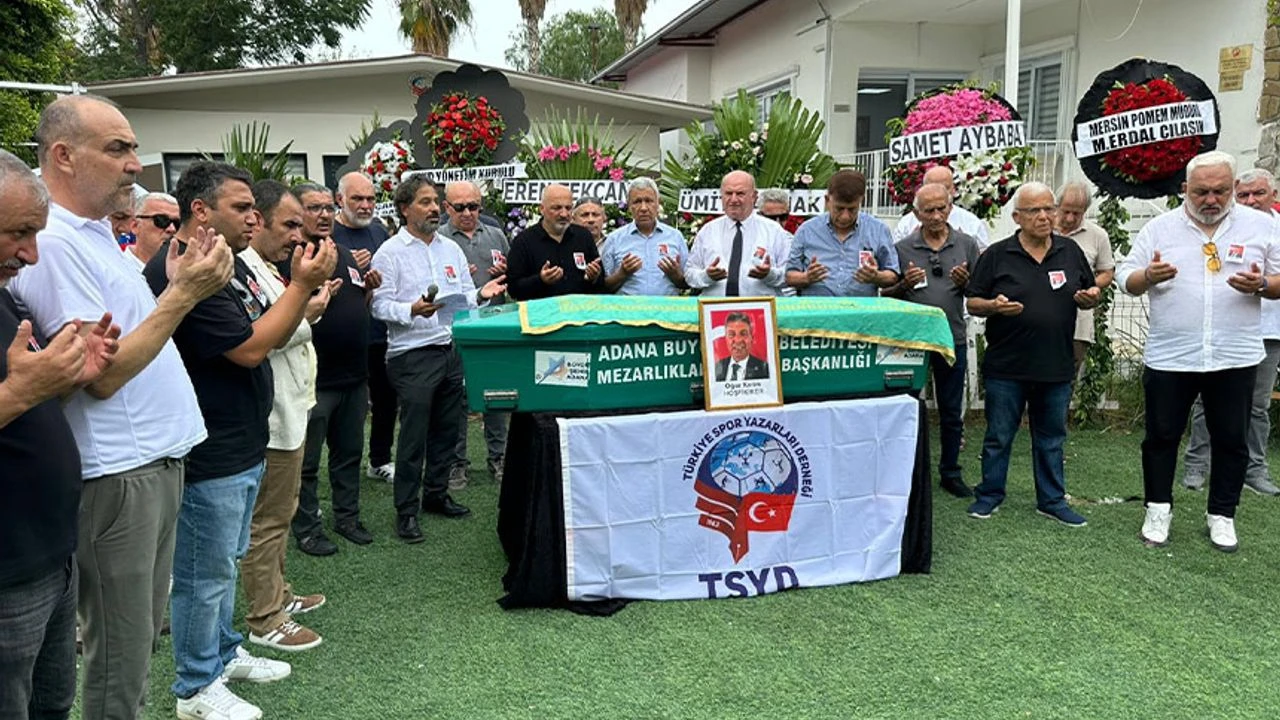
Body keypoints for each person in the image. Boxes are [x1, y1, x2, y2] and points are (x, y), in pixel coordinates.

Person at [9, 95, 234, 720]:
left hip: (149, 467)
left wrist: (177, 287)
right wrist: (183, 295)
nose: (135, 163)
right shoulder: (55, 243)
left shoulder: (94, 236)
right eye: (117, 149)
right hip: (119, 475)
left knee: (135, 647)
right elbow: (99, 378)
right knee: (119, 658)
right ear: (62, 156)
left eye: (133, 148)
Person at [142, 161, 336, 719]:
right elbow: (250, 348)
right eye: (242, 207)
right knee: (203, 575)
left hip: (241, 439)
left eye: (254, 207)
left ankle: (223, 654)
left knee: (224, 563)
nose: (255, 218)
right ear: (200, 210)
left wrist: (295, 293)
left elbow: (261, 327)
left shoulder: (223, 262)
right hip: (211, 447)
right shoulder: (185, 268)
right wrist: (302, 286)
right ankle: (196, 687)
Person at [0, 149, 118, 720]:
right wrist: (22, 391)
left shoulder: (3, 295)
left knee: (51, 705)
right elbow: (16, 398)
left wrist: (67, 378)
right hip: (9, 573)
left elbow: (28, 407)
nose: (31, 254)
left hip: (49, 555)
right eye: (19, 233)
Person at [1118, 152, 1280, 552]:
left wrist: (1261, 285)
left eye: (1220, 191)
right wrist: (1147, 276)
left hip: (1234, 354)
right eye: (1201, 192)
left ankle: (1222, 515)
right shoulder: (1160, 228)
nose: (1211, 199)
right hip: (1172, 354)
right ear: (1185, 189)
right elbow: (1125, 277)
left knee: (1232, 439)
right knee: (1161, 436)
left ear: (1232, 189)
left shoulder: (1262, 226)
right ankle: (1158, 510)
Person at [370, 175, 506, 543]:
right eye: (426, 202)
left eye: (435, 201)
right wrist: (411, 310)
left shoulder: (451, 250)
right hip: (412, 354)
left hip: (450, 348)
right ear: (404, 209)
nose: (434, 208)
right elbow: (379, 306)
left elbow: (463, 296)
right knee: (414, 436)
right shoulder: (390, 252)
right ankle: (406, 510)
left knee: (448, 429)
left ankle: (435, 494)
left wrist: (482, 292)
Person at [964, 181, 1099, 527]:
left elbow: (1090, 289)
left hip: (1056, 364)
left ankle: (1052, 501)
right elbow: (973, 301)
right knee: (998, 436)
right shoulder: (997, 255)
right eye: (1034, 210)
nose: (1044, 216)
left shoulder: (1069, 251)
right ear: (1017, 217)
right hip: (1006, 366)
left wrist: (1091, 297)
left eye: (1049, 209)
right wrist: (994, 306)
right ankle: (989, 495)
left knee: (1051, 438)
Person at [238, 180, 333, 652]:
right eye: (289, 224)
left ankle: (278, 594)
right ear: (258, 221)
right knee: (269, 520)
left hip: (291, 408)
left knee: (282, 511)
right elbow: (263, 336)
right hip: (272, 414)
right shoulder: (244, 269)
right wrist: (308, 310)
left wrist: (305, 305)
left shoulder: (267, 268)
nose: (298, 235)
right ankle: (265, 617)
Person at [291, 182, 381, 555]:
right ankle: (307, 528)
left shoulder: (342, 253)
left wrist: (368, 288)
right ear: (296, 213)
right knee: (306, 463)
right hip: (315, 381)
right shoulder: (291, 258)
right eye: (314, 208)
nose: (324, 214)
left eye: (328, 207)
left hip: (354, 376)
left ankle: (347, 518)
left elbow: (356, 302)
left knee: (349, 454)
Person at [1181, 168, 1280, 497]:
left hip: (1269, 331)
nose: (1251, 200)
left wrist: (1263, 284)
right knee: (1206, 401)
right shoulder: (1222, 226)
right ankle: (1197, 465)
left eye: (1259, 193)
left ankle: (1255, 469)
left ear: (1274, 196)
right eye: (1244, 195)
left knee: (1258, 406)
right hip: (1223, 328)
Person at [885, 183, 982, 498]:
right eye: (929, 210)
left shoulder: (967, 244)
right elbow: (885, 295)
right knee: (906, 406)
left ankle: (950, 472)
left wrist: (967, 283)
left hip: (951, 337)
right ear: (917, 214)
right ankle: (905, 473)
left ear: (951, 208)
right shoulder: (902, 248)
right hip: (911, 341)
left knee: (951, 410)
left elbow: (980, 293)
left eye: (942, 208)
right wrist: (904, 284)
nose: (937, 215)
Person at [439, 180, 511, 484]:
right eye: (460, 207)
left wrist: (505, 273)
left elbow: (513, 276)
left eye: (474, 206)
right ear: (447, 207)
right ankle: (457, 461)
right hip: (455, 328)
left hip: (493, 327)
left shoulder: (495, 234)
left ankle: (499, 457)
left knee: (496, 394)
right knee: (456, 397)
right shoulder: (439, 239)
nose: (468, 213)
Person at [332, 171, 398, 484]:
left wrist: (373, 281)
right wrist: (348, 267)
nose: (365, 205)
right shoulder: (328, 232)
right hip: (343, 337)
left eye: (370, 199)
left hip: (379, 332)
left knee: (386, 400)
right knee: (347, 409)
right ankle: (343, 467)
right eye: (357, 198)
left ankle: (379, 460)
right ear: (340, 199)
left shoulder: (378, 231)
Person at [786, 170, 899, 296]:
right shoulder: (807, 230)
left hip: (861, 308)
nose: (845, 216)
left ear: (861, 200)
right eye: (839, 209)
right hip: (817, 307)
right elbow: (789, 276)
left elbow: (893, 275)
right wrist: (807, 277)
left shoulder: (878, 230)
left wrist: (876, 276)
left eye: (852, 209)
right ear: (827, 200)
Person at [685, 170, 790, 297]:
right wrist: (706, 276)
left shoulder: (774, 231)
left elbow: (790, 275)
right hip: (716, 307)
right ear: (721, 196)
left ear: (754, 197)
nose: (733, 199)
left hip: (759, 307)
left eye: (740, 193)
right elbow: (689, 274)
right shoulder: (708, 231)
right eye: (728, 193)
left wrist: (769, 275)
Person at [1054, 182, 1115, 378]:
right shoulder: (1042, 229)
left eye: (1077, 213)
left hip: (1078, 322)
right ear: (1057, 206)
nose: (1070, 218)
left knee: (1067, 377)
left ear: (1085, 210)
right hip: (1038, 318)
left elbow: (1107, 272)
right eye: (1066, 211)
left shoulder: (1098, 235)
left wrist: (1089, 287)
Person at [506, 184, 604, 300]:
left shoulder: (583, 237)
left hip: (579, 310)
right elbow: (513, 288)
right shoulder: (524, 241)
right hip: (541, 310)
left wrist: (594, 278)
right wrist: (540, 280)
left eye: (568, 208)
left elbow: (600, 283)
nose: (564, 214)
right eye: (557, 208)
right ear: (542, 209)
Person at [601, 177, 688, 296]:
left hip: (666, 307)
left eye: (649, 201)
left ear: (658, 203)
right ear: (629, 205)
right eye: (637, 202)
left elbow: (688, 283)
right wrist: (622, 274)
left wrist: (676, 276)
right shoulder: (614, 239)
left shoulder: (675, 237)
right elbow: (603, 287)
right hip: (627, 307)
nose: (643, 208)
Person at [892, 165, 990, 247]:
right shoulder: (906, 225)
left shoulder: (972, 223)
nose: (938, 193)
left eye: (945, 188)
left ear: (954, 189)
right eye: (933, 187)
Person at [125, 191, 181, 270]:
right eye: (161, 220)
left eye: (177, 223)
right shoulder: (117, 265)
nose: (172, 229)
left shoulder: (183, 269)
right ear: (135, 226)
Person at [713, 312, 770, 381]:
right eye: (731, 334)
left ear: (752, 338)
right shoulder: (715, 368)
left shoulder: (764, 369)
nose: (738, 340)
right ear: (726, 338)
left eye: (743, 334)